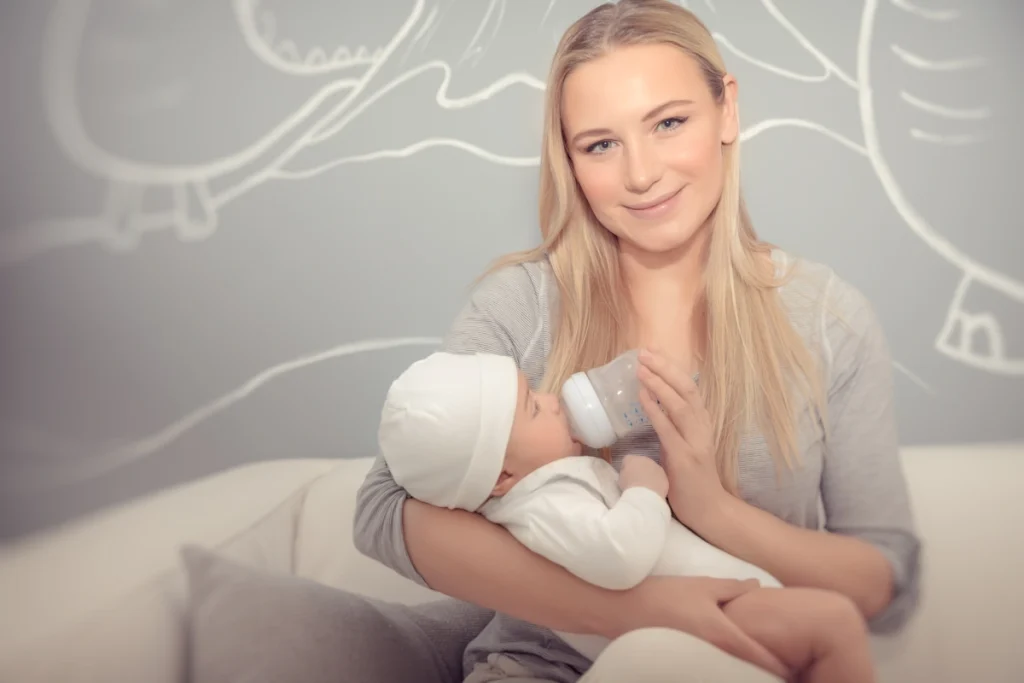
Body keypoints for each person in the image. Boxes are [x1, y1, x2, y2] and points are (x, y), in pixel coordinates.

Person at [353, 1, 921, 682]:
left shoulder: (828, 320)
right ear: (569, 158)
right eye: (600, 144)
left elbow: (882, 582)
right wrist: (641, 608)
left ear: (727, 112)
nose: (642, 173)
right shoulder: (523, 306)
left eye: (669, 123)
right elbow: (385, 509)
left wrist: (712, 510)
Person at [377, 349, 879, 683]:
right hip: (699, 614)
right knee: (832, 623)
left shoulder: (554, 486)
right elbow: (620, 558)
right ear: (501, 477)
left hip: (710, 611)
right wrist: (643, 487)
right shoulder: (538, 503)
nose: (553, 401)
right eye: (533, 408)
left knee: (826, 628)